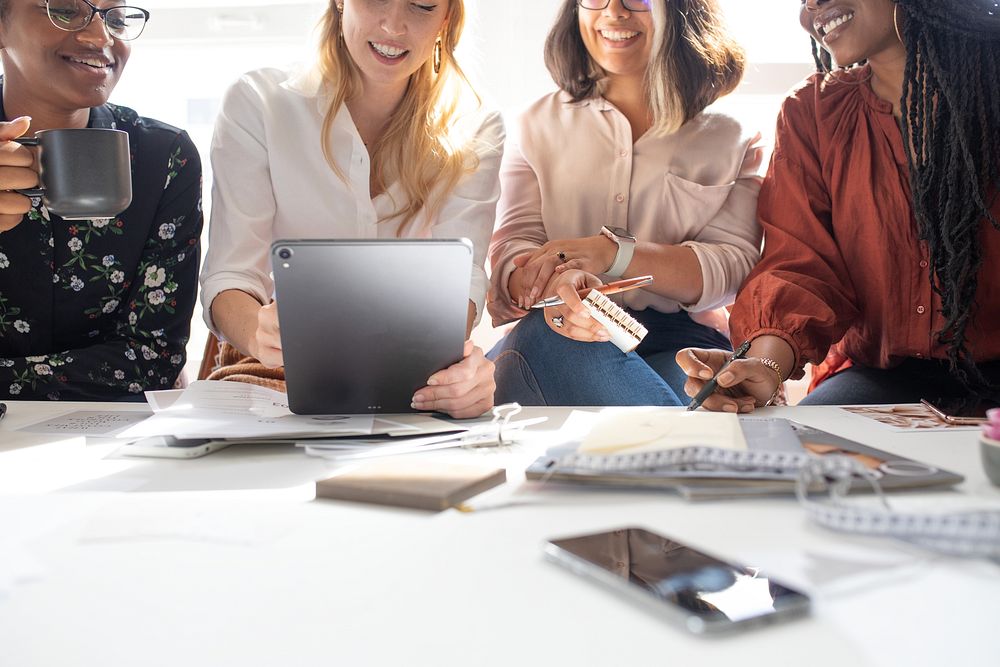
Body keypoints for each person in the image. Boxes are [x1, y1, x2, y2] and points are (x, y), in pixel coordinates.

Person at [677, 0, 1000, 412]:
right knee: (800, 454)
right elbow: (800, 266)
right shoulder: (812, 112)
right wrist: (762, 365)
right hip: (883, 376)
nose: (812, 5)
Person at [200, 0, 502, 419]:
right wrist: (258, 330)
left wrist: (457, 375)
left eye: (422, 6)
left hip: (412, 367)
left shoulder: (476, 127)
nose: (394, 25)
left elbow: (464, 280)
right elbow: (230, 276)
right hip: (269, 362)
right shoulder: (259, 103)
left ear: (446, 18)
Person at [486, 0, 762, 406]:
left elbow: (734, 265)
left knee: (703, 395)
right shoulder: (533, 124)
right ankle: (696, 460)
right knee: (557, 339)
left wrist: (613, 255)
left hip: (680, 340)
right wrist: (553, 281)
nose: (614, 12)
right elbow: (513, 250)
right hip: (558, 326)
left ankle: (687, 459)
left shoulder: (731, 137)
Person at [0, 0, 203, 400]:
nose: (101, 37)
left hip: (114, 439)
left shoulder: (163, 156)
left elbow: (153, 360)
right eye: (63, 9)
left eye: (115, 17)